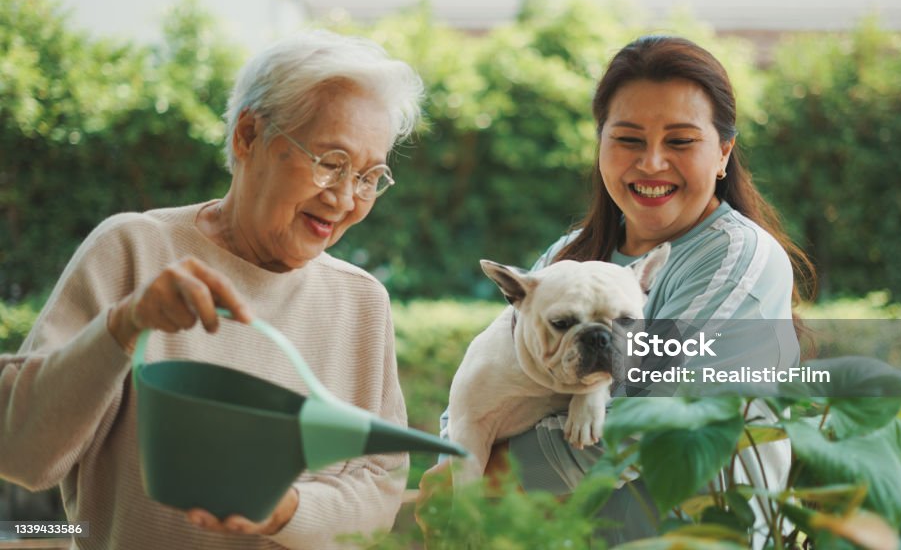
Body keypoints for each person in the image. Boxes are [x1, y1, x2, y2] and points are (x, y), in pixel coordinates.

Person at [0, 30, 423, 549]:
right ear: (248, 136)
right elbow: (20, 453)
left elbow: (378, 488)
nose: (344, 198)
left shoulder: (361, 302)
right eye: (331, 163)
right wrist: (123, 327)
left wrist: (285, 511)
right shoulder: (134, 250)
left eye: (368, 176)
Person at [427, 34, 815, 546]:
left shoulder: (735, 258)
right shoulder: (567, 257)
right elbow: (482, 381)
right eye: (629, 139)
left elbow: (646, 422)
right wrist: (454, 462)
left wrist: (478, 481)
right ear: (601, 144)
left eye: (680, 141)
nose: (652, 163)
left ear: (723, 153)